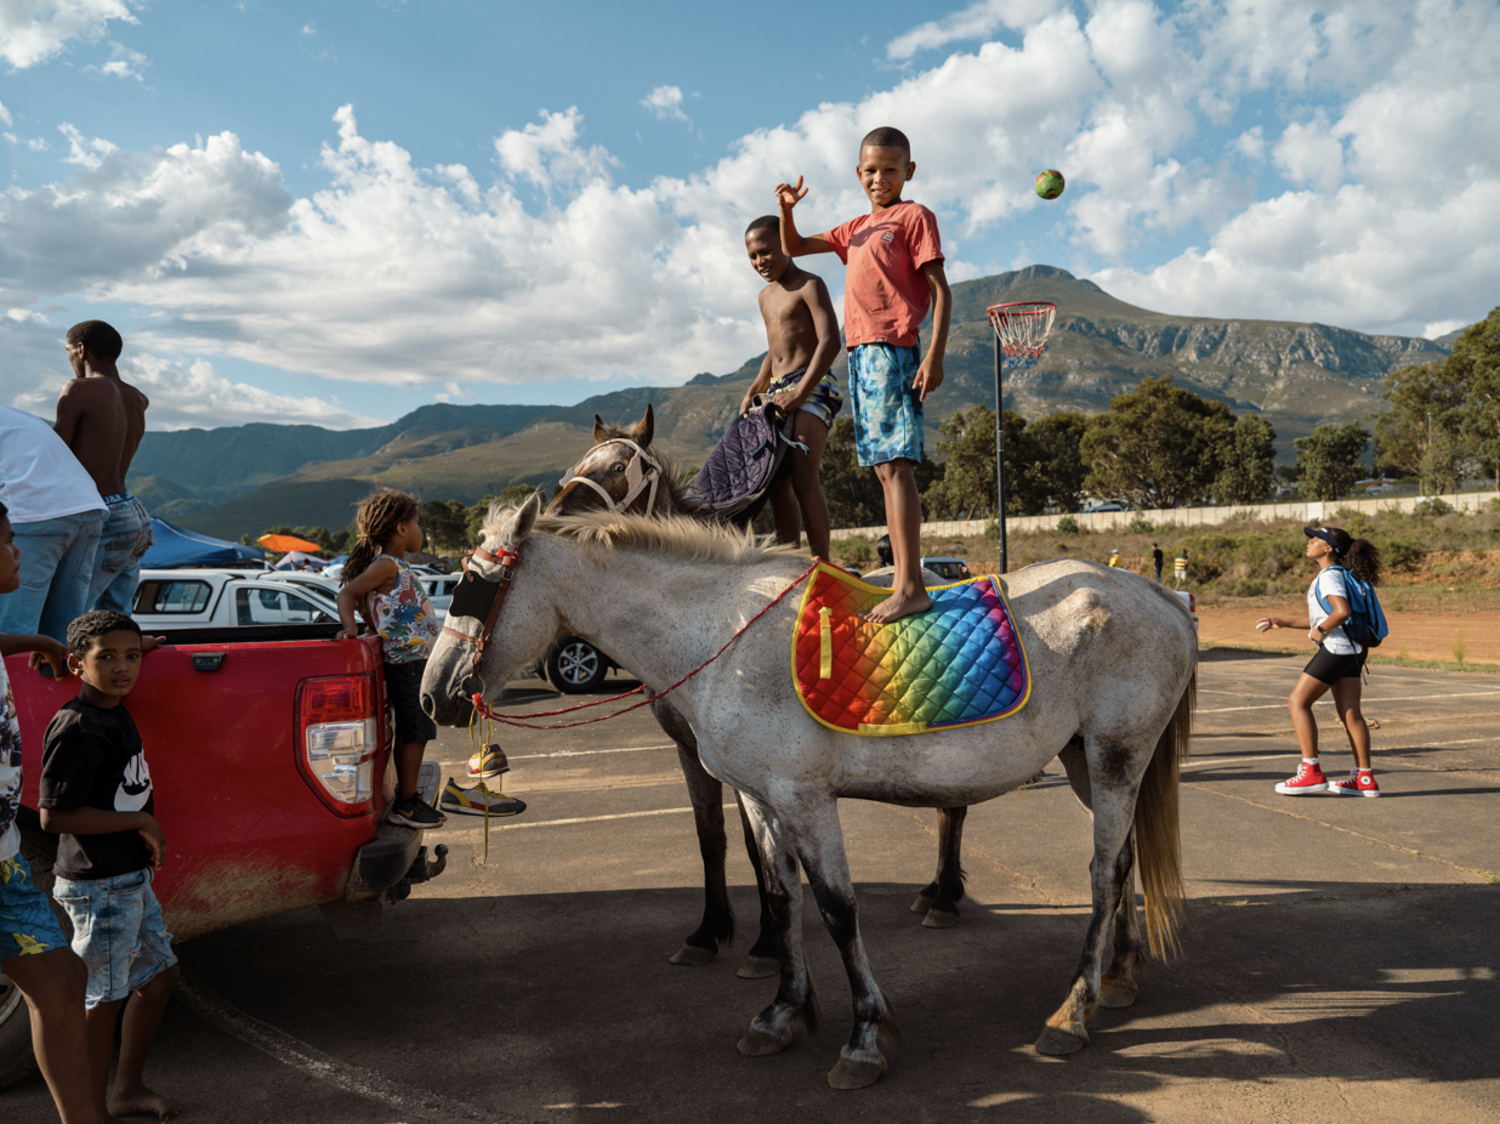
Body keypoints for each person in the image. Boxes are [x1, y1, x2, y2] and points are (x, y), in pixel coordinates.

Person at [776, 125, 951, 623]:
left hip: (893, 350)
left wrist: (934, 352)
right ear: (859, 174)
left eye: (891, 170)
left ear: (908, 172)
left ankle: (911, 585)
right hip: (861, 355)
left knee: (895, 466)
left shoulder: (913, 217)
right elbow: (793, 245)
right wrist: (788, 209)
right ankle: (903, 580)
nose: (880, 179)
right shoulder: (853, 229)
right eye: (871, 171)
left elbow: (941, 290)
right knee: (882, 469)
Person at [39, 609, 180, 1122]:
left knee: (160, 978)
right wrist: (142, 824)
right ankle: (89, 1112)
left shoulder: (112, 704)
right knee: (103, 1002)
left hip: (128, 878)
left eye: (133, 657)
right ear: (77, 665)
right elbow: (54, 815)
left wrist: (139, 644)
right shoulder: (78, 726)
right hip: (98, 886)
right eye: (108, 658)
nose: (123, 668)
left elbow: (119, 651)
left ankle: (126, 1091)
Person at [0, 502, 101, 1124]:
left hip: (5, 860)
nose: (18, 552)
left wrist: (38, 640)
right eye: (9, 542)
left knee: (61, 984)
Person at [335, 490, 446, 828]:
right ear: (401, 528)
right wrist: (352, 628)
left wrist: (372, 623)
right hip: (407, 664)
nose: (419, 530)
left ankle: (409, 798)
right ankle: (407, 803)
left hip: (415, 661)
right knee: (415, 731)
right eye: (416, 523)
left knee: (419, 729)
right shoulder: (385, 565)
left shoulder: (396, 566)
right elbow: (347, 593)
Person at [739, 215, 843, 561]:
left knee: (802, 476)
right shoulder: (764, 297)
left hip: (813, 386)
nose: (759, 262)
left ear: (785, 245)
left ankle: (823, 565)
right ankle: (791, 567)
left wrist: (800, 392)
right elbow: (776, 349)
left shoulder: (810, 285)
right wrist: (757, 384)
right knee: (775, 484)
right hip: (777, 392)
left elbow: (830, 343)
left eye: (766, 252)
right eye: (753, 256)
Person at [1255, 526, 1384, 797]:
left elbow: (1341, 612)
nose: (1310, 541)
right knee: (1351, 713)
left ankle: (1311, 772)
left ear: (1328, 549)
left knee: (1297, 702)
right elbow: (1326, 615)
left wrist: (1322, 629)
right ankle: (1365, 779)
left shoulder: (1329, 576)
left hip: (1337, 648)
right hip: (1354, 649)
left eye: (1317, 538)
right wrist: (1286, 622)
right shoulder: (1341, 575)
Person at [55, 321, 152, 617]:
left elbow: (53, 456)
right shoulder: (136, 398)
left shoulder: (79, 390)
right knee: (113, 624)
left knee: (66, 621)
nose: (70, 358)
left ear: (81, 350)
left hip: (99, 515)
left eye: (68, 351)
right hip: (130, 512)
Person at [0, 406, 107, 642]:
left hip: (33, 510)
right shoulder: (13, 414)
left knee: (12, 630)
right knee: (64, 633)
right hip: (86, 507)